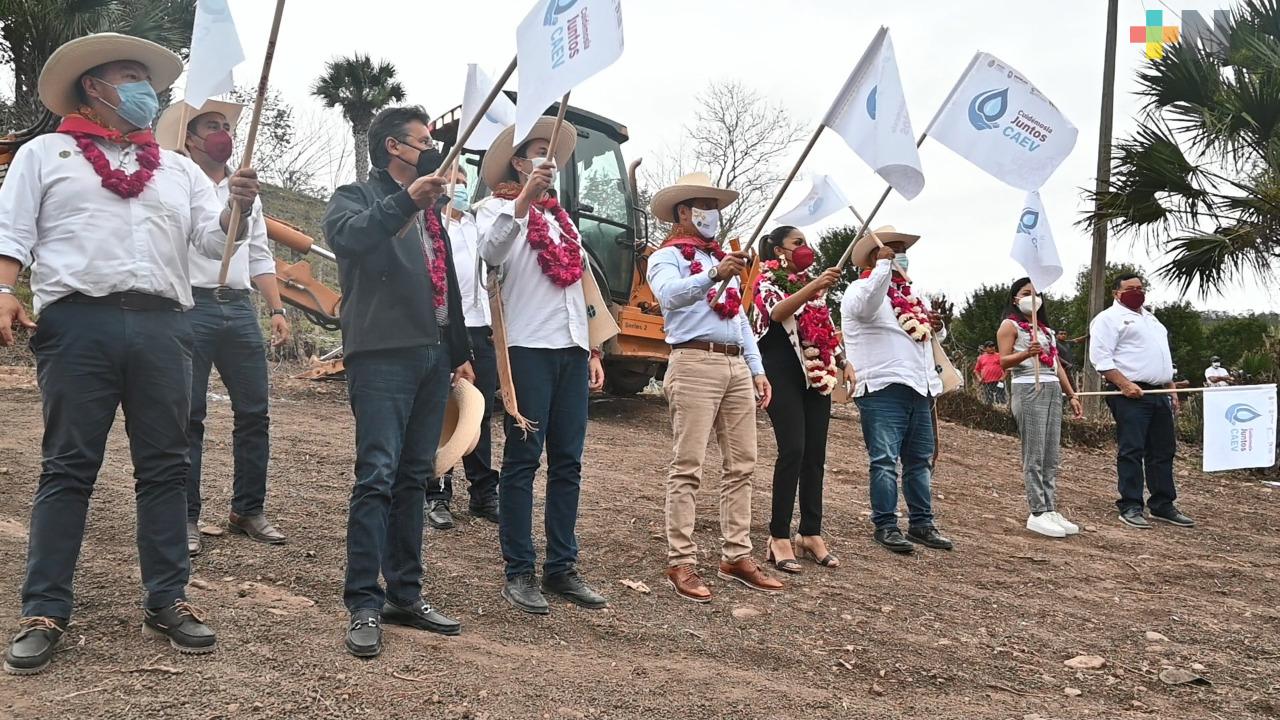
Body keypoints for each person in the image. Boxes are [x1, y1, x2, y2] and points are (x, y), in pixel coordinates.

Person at [0, 33, 262, 672]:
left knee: (166, 465)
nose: (147, 91)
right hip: (77, 325)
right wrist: (4, 289)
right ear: (94, 86)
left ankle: (168, 598)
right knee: (68, 465)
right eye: (129, 76)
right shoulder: (45, 153)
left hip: (166, 327)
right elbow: (13, 229)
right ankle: (45, 607)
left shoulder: (174, 169)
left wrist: (238, 208)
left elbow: (209, 242)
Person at [323, 105, 473, 657]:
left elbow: (445, 286)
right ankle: (364, 601)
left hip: (433, 357)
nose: (433, 148)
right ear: (393, 146)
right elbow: (351, 238)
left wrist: (458, 352)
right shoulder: (356, 197)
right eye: (423, 140)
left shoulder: (433, 210)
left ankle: (404, 593)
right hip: (382, 354)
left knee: (415, 477)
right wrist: (406, 202)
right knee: (377, 476)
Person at [476, 117, 608, 615]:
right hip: (527, 349)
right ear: (517, 161)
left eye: (550, 153)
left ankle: (561, 567)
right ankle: (519, 570)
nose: (546, 160)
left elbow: (578, 287)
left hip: (570, 351)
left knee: (569, 463)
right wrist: (522, 201)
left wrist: (592, 349)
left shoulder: (564, 220)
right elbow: (490, 256)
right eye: (536, 151)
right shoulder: (495, 209)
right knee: (524, 461)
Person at [155, 99, 289, 556]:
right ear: (189, 138)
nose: (223, 133)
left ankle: (248, 509)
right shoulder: (176, 181)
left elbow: (259, 254)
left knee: (254, 412)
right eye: (211, 125)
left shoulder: (248, 190)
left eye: (227, 125)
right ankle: (186, 516)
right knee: (188, 416)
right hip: (190, 305)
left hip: (237, 307)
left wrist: (276, 308)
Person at [647, 173, 779, 602]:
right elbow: (668, 296)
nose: (712, 214)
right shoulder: (667, 256)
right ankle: (681, 559)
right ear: (683, 212)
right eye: (704, 205)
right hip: (693, 361)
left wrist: (756, 367)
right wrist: (711, 277)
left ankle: (736, 554)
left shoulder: (723, 258)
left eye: (715, 206)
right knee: (688, 466)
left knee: (742, 463)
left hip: (733, 362)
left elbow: (738, 317)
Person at [840, 227, 953, 554]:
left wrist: (937, 325)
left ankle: (922, 523)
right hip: (882, 388)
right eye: (891, 249)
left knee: (920, 460)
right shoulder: (859, 289)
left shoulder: (912, 297)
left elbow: (927, 339)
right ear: (875, 256)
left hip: (920, 387)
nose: (899, 254)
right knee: (884, 460)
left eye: (902, 250)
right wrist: (882, 270)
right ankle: (886, 525)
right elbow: (865, 308)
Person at [751, 225, 851, 573]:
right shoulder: (766, 278)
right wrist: (814, 286)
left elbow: (824, 326)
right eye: (798, 243)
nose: (806, 248)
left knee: (815, 455)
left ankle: (810, 532)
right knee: (792, 449)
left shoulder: (815, 288)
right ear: (779, 250)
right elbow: (776, 312)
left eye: (807, 242)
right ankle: (778, 535)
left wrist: (842, 360)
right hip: (780, 369)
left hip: (815, 373)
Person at [425, 165, 500, 529]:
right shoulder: (433, 228)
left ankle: (483, 491)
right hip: (446, 330)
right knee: (442, 413)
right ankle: (437, 491)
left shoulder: (476, 226)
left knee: (479, 413)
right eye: (454, 182)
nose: (460, 189)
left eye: (465, 183)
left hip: (480, 330)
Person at [1089, 273, 1194, 530]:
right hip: (1130, 394)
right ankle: (1131, 504)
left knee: (1162, 449)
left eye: (1140, 288)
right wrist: (1125, 384)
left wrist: (1170, 389)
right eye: (1129, 288)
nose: (1136, 292)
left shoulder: (1152, 319)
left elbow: (1162, 359)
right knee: (1132, 449)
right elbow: (1101, 359)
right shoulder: (1107, 319)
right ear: (1117, 293)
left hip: (1159, 393)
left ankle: (1162, 503)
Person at [996, 279, 1084, 539]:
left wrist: (1071, 394)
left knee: (1050, 453)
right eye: (1026, 293)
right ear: (1015, 299)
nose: (1032, 298)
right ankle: (1037, 511)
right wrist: (1025, 354)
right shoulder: (1009, 326)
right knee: (1034, 452)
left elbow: (1056, 364)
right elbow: (1003, 361)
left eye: (1036, 294)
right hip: (1028, 388)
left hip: (1053, 388)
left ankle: (1050, 506)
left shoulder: (1047, 331)